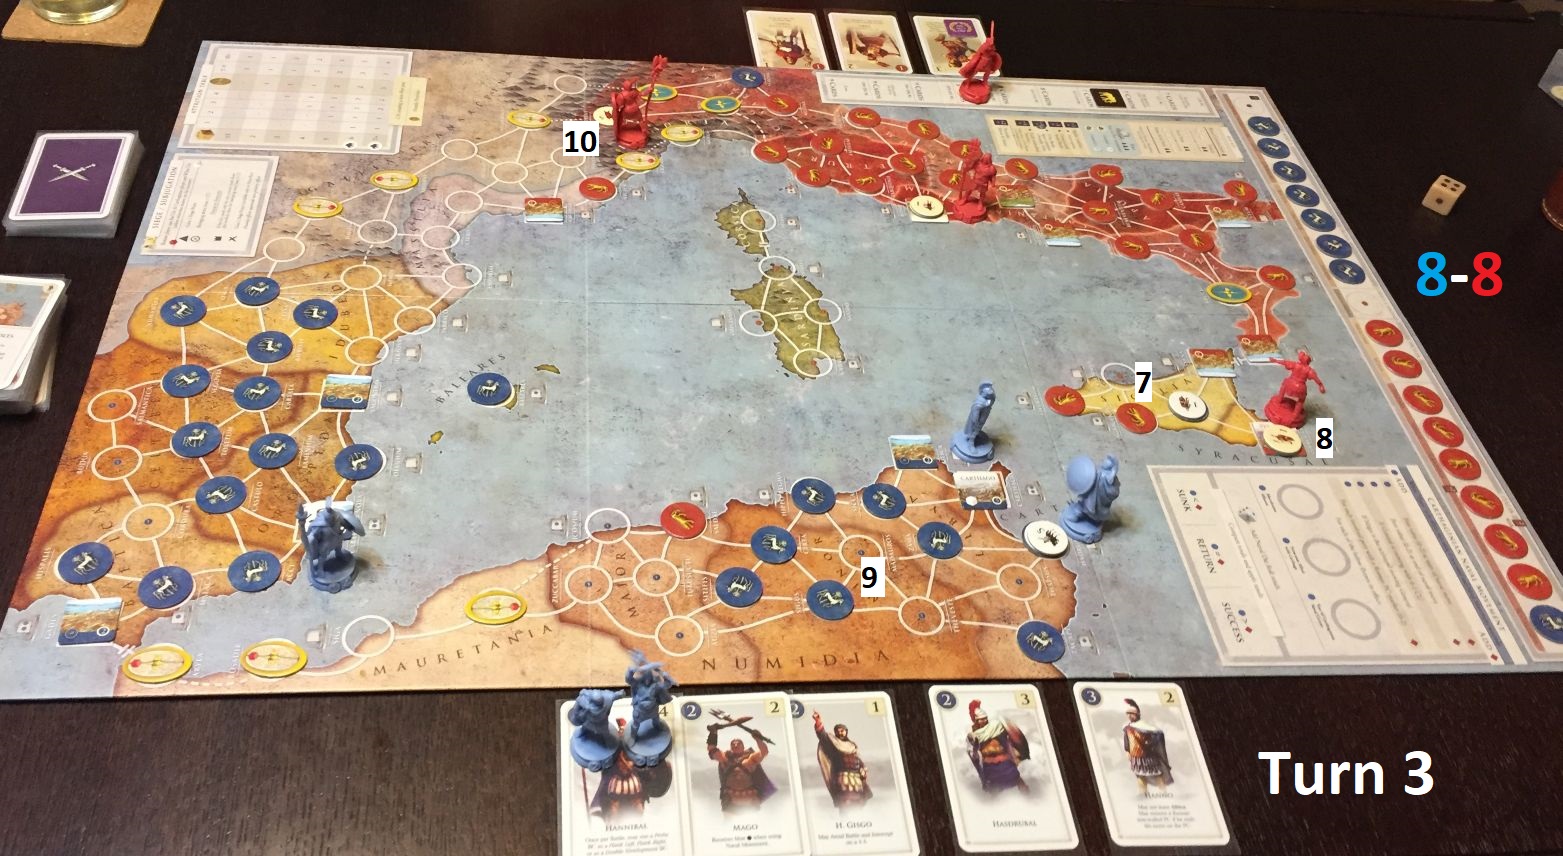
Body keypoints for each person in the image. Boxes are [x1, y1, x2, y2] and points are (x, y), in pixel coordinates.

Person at [965, 700, 1031, 793]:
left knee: (1017, 779)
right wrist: (975, 748)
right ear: (976, 721)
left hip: (1004, 762)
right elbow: (973, 753)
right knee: (994, 790)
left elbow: (1008, 732)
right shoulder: (973, 735)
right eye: (981, 719)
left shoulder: (995, 726)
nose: (984, 720)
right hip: (989, 766)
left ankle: (1030, 797)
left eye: (985, 718)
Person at [707, 729, 777, 811]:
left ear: (743, 747)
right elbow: (712, 750)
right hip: (730, 800)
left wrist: (758, 739)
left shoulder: (751, 758)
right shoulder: (724, 758)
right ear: (731, 747)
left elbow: (764, 752)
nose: (735, 745)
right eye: (733, 744)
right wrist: (713, 732)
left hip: (750, 799)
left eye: (738, 743)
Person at [813, 711, 872, 808]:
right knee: (846, 807)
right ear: (835, 732)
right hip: (842, 782)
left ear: (846, 731)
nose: (840, 732)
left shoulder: (852, 746)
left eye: (842, 730)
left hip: (857, 783)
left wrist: (863, 769)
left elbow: (857, 760)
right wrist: (818, 721)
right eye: (838, 731)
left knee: (858, 806)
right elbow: (823, 736)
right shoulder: (833, 745)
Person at [1122, 699, 1174, 795]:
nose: (1129, 716)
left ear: (1137, 714)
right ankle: (1143, 795)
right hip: (1136, 758)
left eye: (1131, 713)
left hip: (1149, 757)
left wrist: (1149, 744)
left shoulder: (1146, 727)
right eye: (1128, 713)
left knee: (1157, 775)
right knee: (1140, 776)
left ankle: (1164, 794)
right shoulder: (1127, 728)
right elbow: (1127, 741)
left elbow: (1157, 736)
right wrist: (1127, 751)